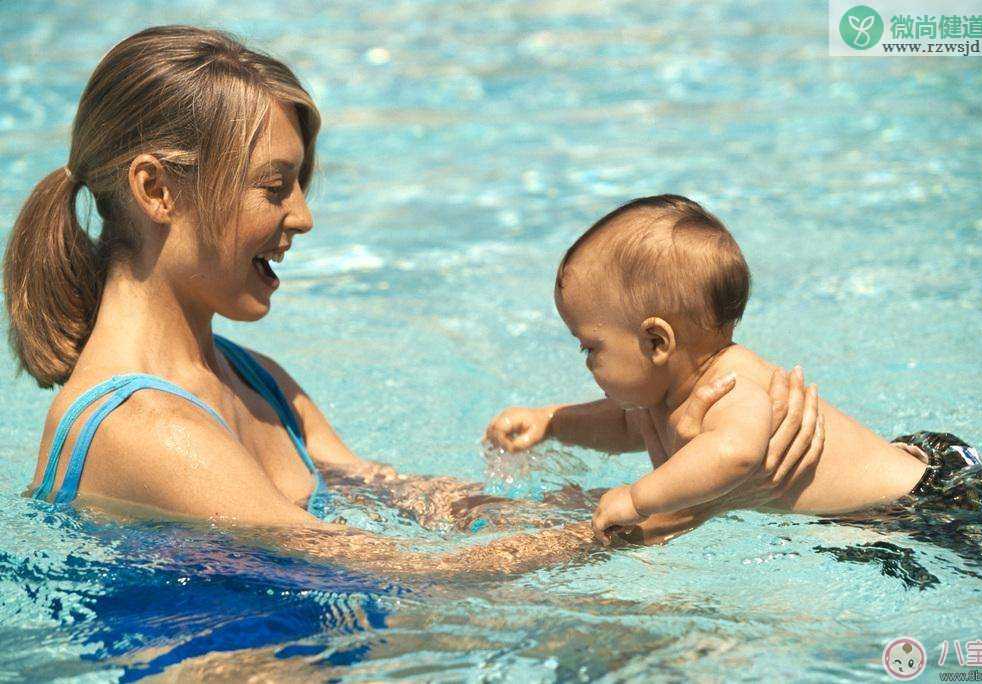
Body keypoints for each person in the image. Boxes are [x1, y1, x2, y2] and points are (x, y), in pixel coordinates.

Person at [2, 27, 821, 575]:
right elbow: (377, 565)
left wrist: (690, 448)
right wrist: (647, 518)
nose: (303, 217)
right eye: (275, 186)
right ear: (156, 190)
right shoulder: (145, 428)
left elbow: (418, 504)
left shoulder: (257, 381)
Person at [485, 195, 982, 544]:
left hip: (927, 500)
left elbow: (734, 453)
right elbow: (620, 424)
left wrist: (638, 497)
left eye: (589, 348)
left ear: (656, 340)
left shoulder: (729, 385)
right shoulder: (662, 394)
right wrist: (552, 421)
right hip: (892, 491)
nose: (587, 363)